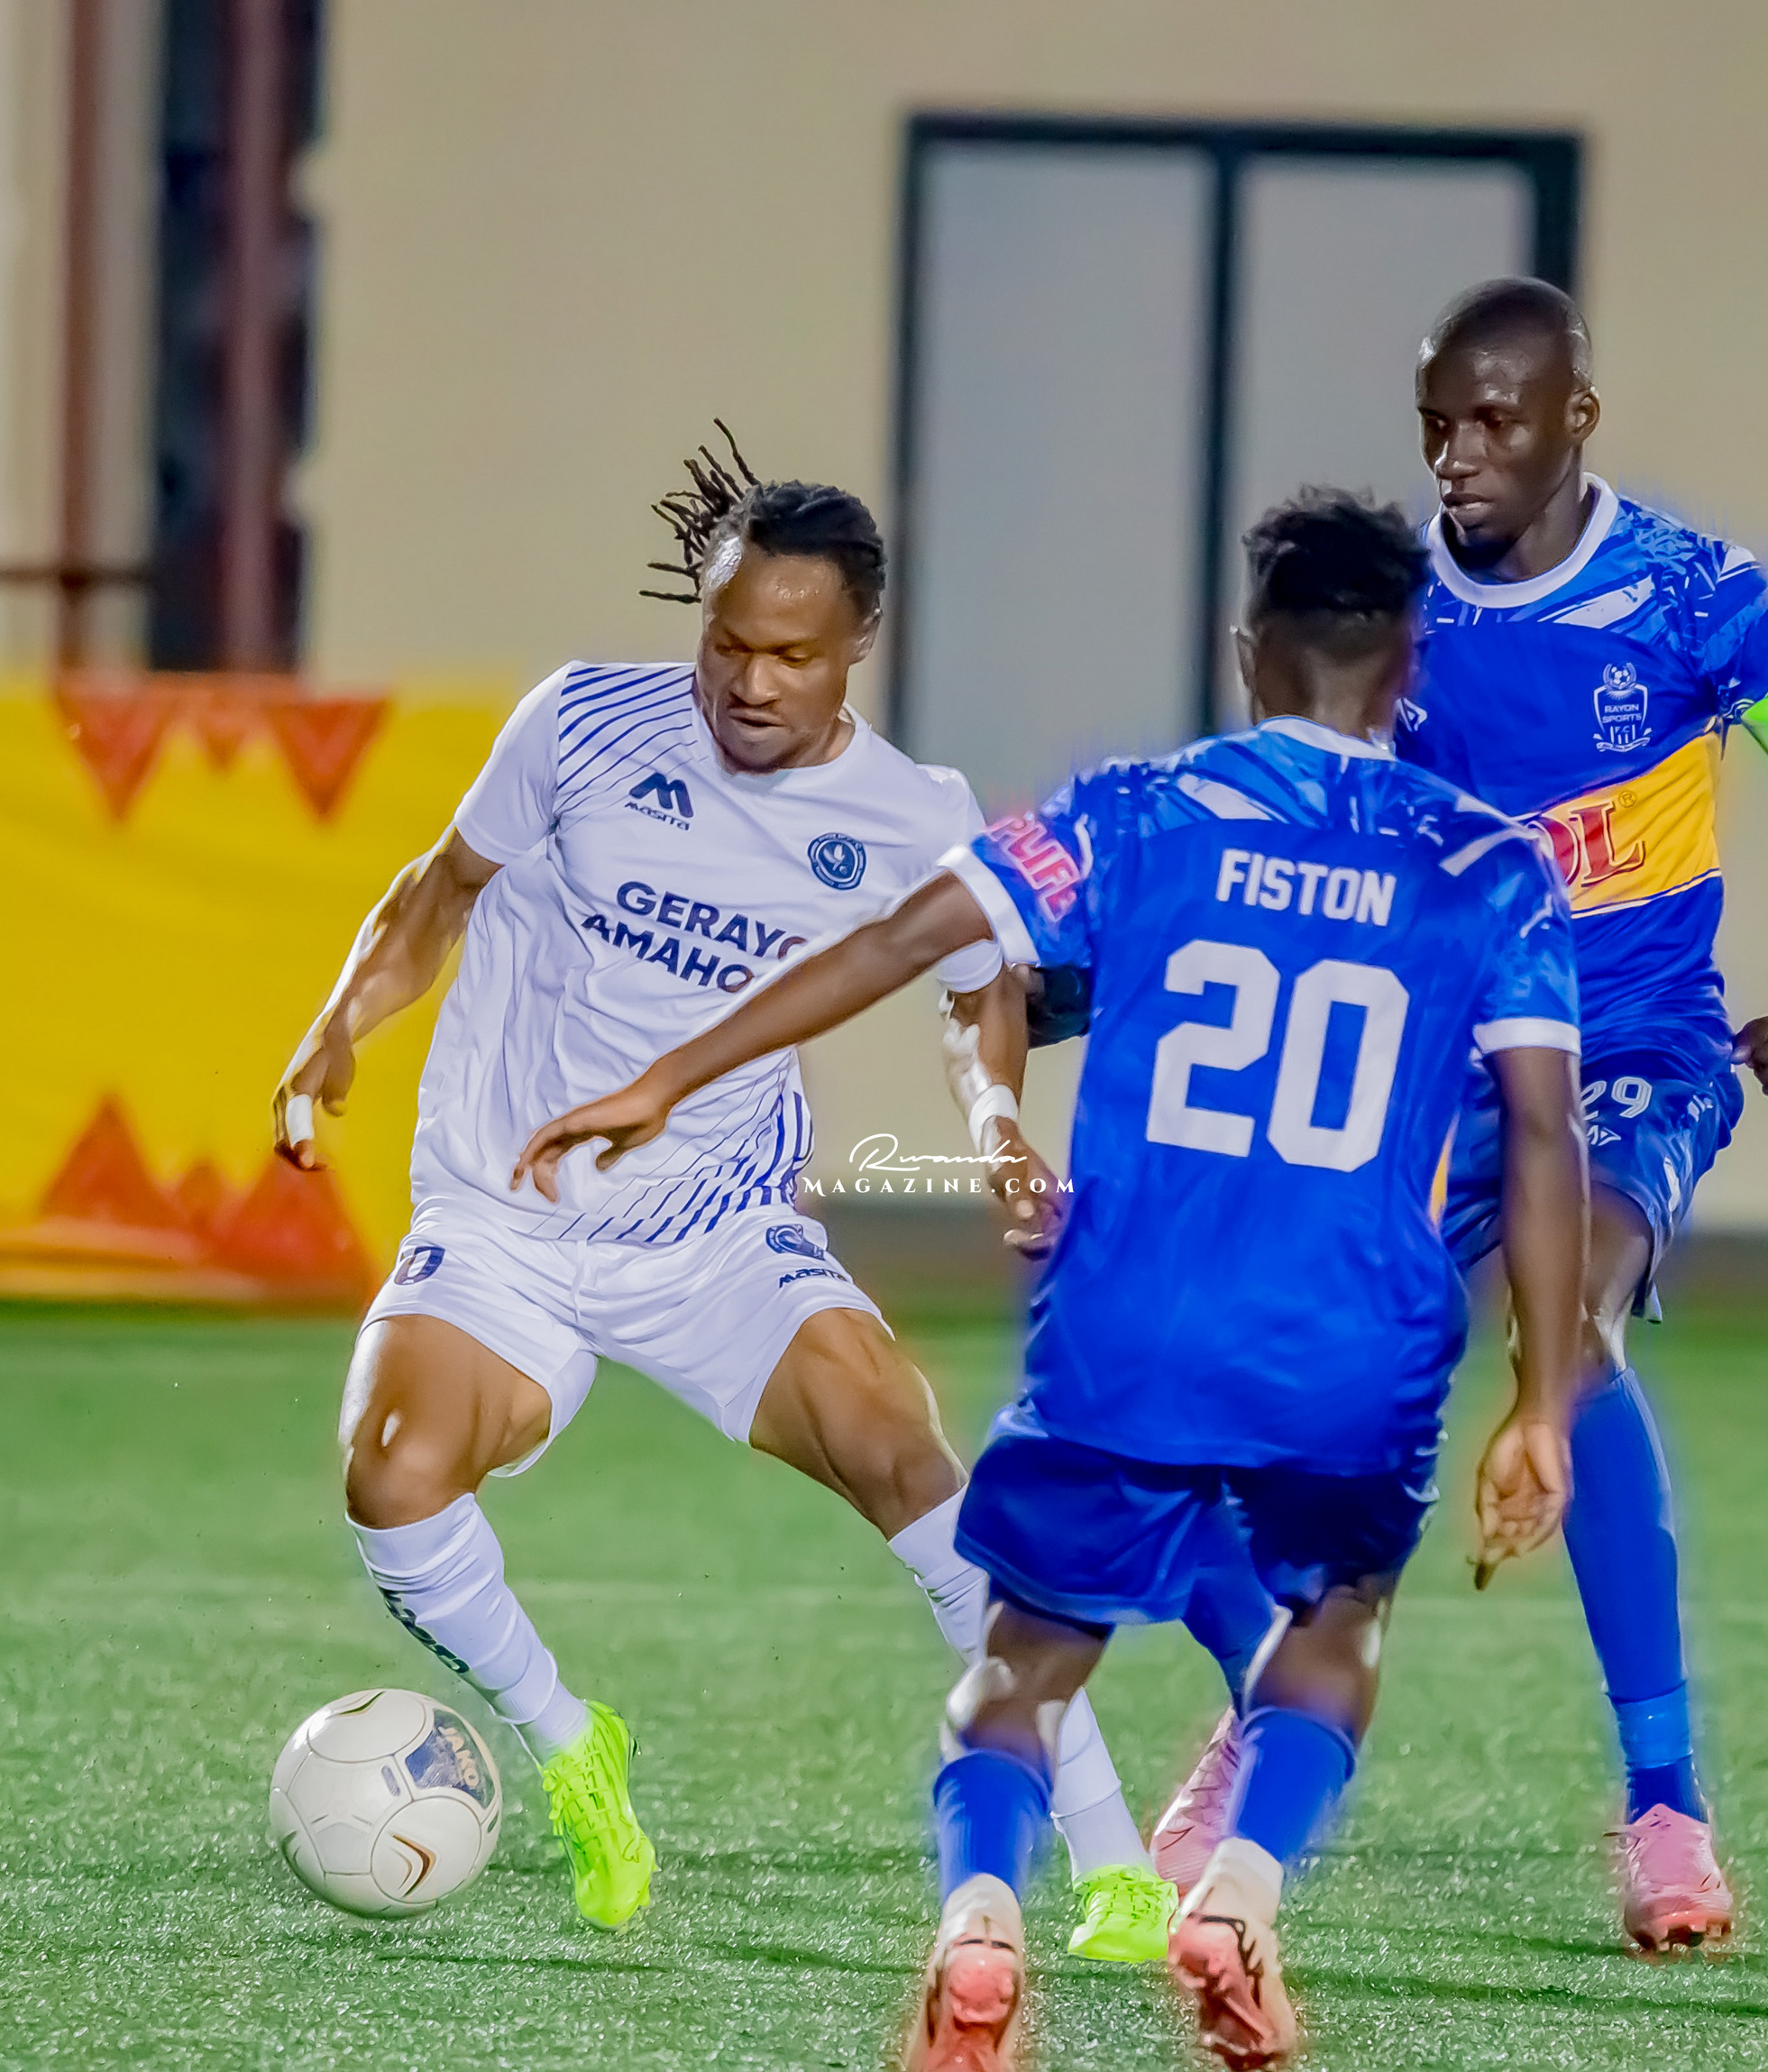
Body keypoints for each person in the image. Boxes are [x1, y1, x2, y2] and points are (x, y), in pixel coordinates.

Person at [517, 490, 1589, 2068]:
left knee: (1020, 1666)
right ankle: (1238, 1893)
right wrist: (1544, 1395)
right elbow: (1546, 1135)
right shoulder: (1493, 869)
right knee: (1337, 1619)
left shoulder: (1130, 813)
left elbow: (896, 946)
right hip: (1352, 1339)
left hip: (1129, 1322)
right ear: (1410, 664)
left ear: (1247, 652)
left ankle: (977, 1928)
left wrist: (665, 1076)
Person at [270, 435, 1168, 1943]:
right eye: (728, 643)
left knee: (910, 1462)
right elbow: (441, 888)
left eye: (790, 656)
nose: (750, 681)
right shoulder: (582, 721)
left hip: (716, 1237)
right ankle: (572, 1743)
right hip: (503, 1218)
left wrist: (999, 1123)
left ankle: (1113, 1859)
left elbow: (977, 994)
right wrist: (336, 1025)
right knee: (391, 1473)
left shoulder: (913, 813)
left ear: (857, 643)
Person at [1134, 280, 1768, 1952]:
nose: (1458, 455)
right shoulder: (1396, 608)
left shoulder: (1703, 602)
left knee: (1573, 1328)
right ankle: (1261, 1725)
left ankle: (1666, 1807)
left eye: (1494, 420)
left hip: (1632, 1044)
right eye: (1437, 425)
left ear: (1579, 416)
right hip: (1436, 1053)